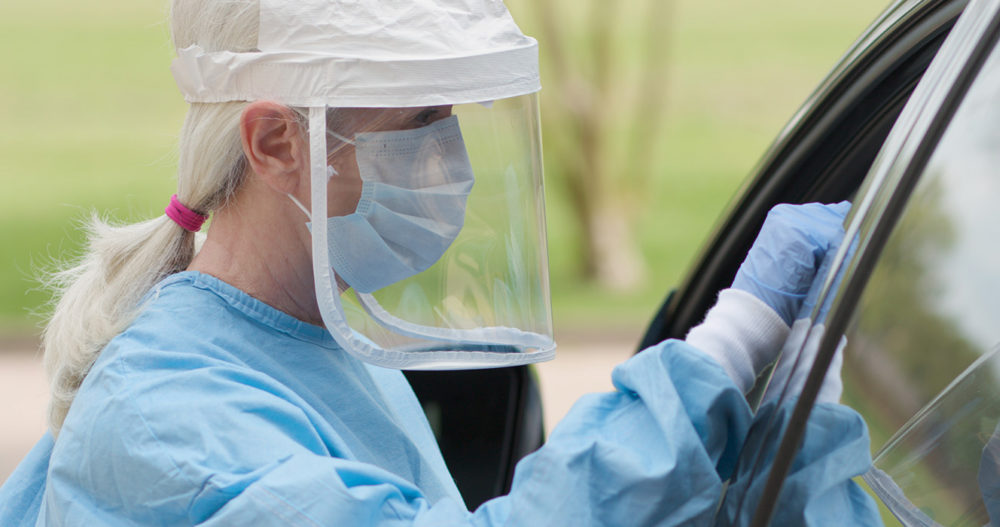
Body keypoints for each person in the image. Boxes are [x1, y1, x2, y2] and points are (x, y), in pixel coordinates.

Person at [0, 0, 881, 525]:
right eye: (418, 121)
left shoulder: (323, 338)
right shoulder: (165, 419)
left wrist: (802, 407)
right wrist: (723, 350)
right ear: (275, 141)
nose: (449, 158)